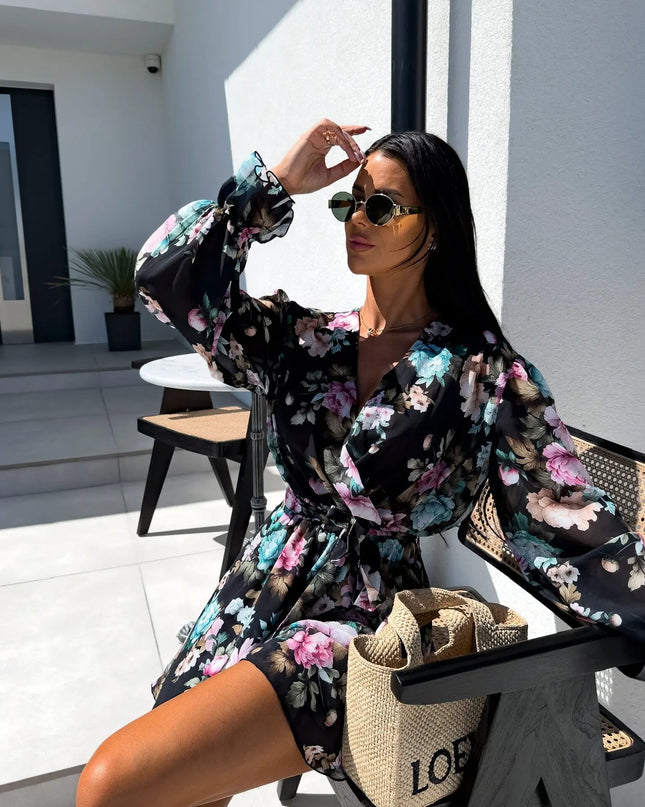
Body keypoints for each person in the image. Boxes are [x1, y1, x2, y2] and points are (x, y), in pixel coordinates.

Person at [76, 119, 645, 807]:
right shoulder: (304, 341)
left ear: (434, 227)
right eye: (351, 202)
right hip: (264, 586)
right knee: (179, 782)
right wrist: (275, 186)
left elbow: (559, 514)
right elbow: (167, 281)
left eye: (382, 205)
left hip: (364, 620)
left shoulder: (482, 374)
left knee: (112, 782)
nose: (356, 218)